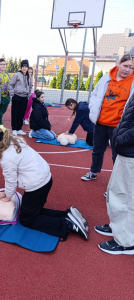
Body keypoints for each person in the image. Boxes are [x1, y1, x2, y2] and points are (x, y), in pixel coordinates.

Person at [0, 126, 89, 240]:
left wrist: (8, 195)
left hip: (36, 186)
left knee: (27, 219)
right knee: (33, 210)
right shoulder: (15, 141)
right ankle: (66, 215)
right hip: (44, 179)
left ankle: (67, 224)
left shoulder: (7, 157)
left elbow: (10, 180)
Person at [95, 46, 134, 255]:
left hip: (130, 150)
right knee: (115, 191)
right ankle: (117, 226)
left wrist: (122, 138)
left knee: (126, 195)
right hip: (126, 148)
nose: (130, 67)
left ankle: (126, 241)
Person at [82, 53, 134, 181]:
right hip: (101, 122)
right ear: (119, 64)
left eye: (131, 67)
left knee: (117, 154)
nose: (128, 69)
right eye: (125, 65)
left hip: (119, 125)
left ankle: (116, 181)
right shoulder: (106, 78)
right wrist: (93, 108)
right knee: (97, 149)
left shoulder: (132, 81)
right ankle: (93, 172)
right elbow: (94, 94)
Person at [8, 59, 33, 135]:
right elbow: (10, 85)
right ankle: (14, 128)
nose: (24, 68)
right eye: (23, 66)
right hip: (17, 96)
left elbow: (31, 86)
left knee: (21, 113)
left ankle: (19, 128)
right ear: (21, 67)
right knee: (15, 113)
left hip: (24, 97)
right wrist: (13, 94)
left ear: (28, 67)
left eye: (26, 67)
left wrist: (28, 95)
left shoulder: (29, 76)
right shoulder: (17, 75)